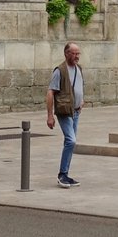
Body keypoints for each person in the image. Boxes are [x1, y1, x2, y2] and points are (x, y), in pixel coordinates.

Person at [45, 41, 84, 188]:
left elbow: (78, 87)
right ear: (66, 54)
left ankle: (65, 174)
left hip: (75, 112)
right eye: (73, 53)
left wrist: (82, 100)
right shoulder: (60, 71)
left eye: (78, 53)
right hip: (64, 112)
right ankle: (62, 175)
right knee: (71, 141)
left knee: (70, 142)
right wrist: (50, 115)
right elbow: (50, 92)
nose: (76, 56)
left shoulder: (79, 69)